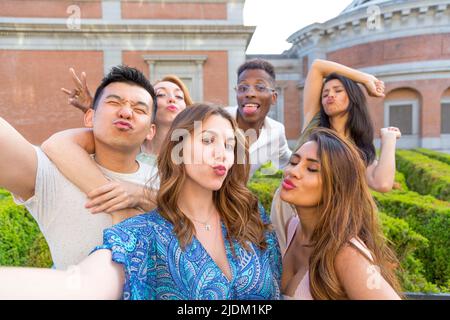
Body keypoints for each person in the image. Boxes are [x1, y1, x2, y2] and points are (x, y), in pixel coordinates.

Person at [0, 104, 282, 300]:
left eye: (229, 145)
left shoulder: (251, 217)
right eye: (208, 141)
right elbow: (83, 285)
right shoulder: (143, 233)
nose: (222, 153)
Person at [0, 65, 158, 269]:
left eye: (139, 109)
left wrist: (142, 195)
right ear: (90, 117)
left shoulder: (163, 180)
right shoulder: (53, 172)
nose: (126, 112)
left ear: (151, 131)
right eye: (114, 102)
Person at [271, 59, 402, 251]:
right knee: (284, 264)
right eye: (325, 93)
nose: (329, 95)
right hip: (289, 206)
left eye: (338, 91)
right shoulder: (314, 124)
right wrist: (365, 79)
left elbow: (382, 183)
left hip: (326, 217)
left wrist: (389, 139)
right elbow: (317, 66)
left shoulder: (356, 149)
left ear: (353, 97)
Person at [280, 128, 402, 300]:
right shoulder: (292, 227)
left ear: (337, 186)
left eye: (312, 168)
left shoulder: (346, 253)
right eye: (293, 162)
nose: (292, 171)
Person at [47, 71, 193, 215]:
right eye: (161, 94)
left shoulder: (195, 154)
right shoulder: (129, 150)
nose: (172, 99)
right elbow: (60, 144)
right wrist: (96, 109)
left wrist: (140, 194)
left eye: (179, 96)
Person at [225, 59, 291, 178]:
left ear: (274, 98)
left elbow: (288, 161)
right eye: (243, 88)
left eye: (260, 87)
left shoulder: (277, 131)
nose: (249, 93)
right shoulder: (219, 120)